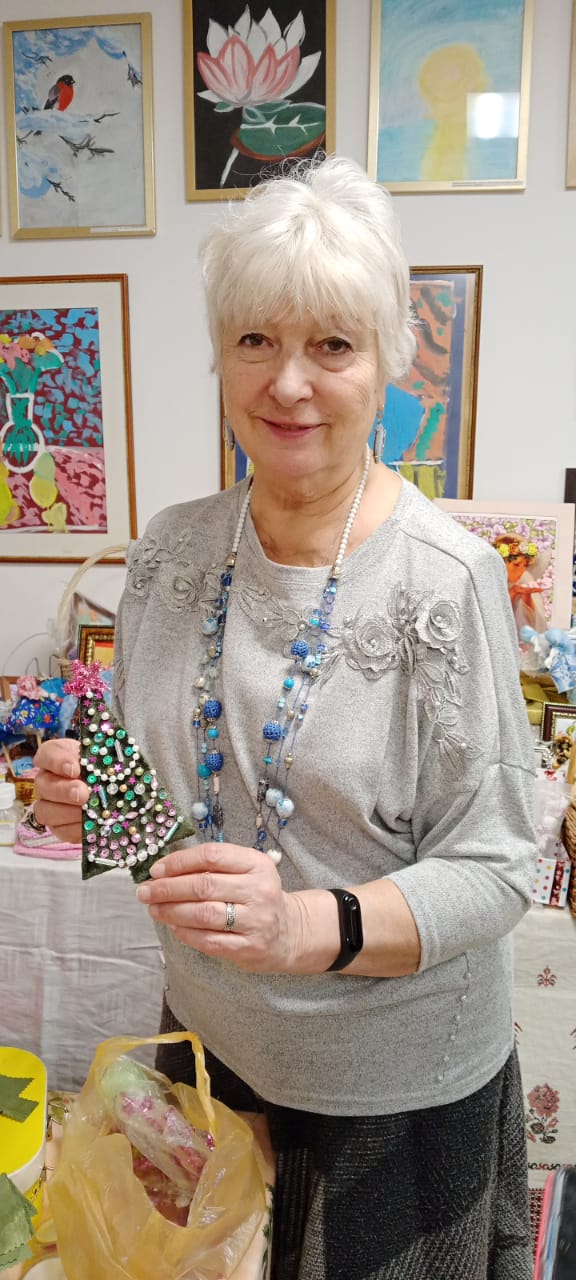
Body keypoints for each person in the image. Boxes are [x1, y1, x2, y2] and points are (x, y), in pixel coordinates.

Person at [34, 156, 537, 1280]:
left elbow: (501, 864)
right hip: (208, 1053)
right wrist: (96, 801)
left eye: (333, 345)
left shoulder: (444, 581)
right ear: (221, 354)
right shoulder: (169, 551)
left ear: (388, 363)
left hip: (394, 1092)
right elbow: (170, 822)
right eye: (256, 339)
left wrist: (302, 928)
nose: (290, 383)